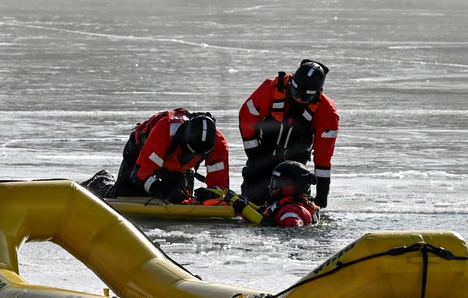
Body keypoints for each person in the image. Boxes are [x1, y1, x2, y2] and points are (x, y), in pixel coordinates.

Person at [238, 59, 338, 207]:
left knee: (294, 203)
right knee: (254, 198)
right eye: (295, 92)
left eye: (305, 97)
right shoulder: (270, 89)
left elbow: (323, 156)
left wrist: (322, 194)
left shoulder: (327, 113)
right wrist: (254, 157)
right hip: (262, 155)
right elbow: (246, 118)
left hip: (295, 168)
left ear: (317, 94)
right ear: (291, 84)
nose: (298, 98)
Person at [90, 109, 230, 203]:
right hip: (140, 154)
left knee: (182, 200)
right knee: (121, 196)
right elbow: (140, 173)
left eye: (196, 155)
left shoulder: (218, 144)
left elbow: (220, 184)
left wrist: (211, 194)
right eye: (189, 152)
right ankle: (100, 181)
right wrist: (164, 190)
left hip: (177, 167)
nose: (191, 156)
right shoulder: (164, 130)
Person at [260, 161, 320, 227]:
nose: (270, 187)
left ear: (289, 186)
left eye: (275, 183)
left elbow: (292, 228)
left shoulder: (291, 211)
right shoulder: (286, 206)